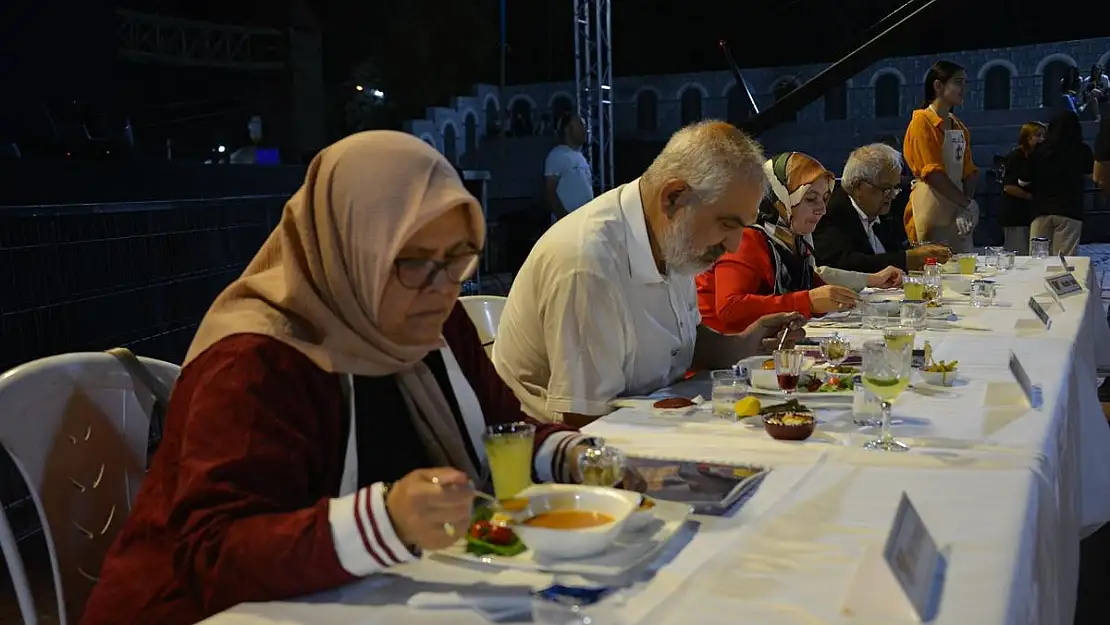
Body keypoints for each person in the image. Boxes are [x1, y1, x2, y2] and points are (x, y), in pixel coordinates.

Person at [81, 132, 602, 625]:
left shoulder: (433, 325)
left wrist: (572, 456)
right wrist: (384, 520)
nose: (444, 287)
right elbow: (213, 554)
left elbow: (502, 428)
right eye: (414, 261)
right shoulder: (256, 360)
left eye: (456, 258)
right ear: (350, 250)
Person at [494, 121, 804, 427]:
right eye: (726, 224)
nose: (734, 246)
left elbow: (687, 345)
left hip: (646, 423)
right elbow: (585, 422)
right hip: (565, 449)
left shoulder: (670, 235)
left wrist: (749, 341)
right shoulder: (588, 264)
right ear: (673, 196)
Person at [697, 152, 902, 335]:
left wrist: (851, 300)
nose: (822, 209)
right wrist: (809, 301)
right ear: (780, 199)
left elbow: (815, 289)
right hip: (723, 360)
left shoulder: (792, 240)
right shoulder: (747, 239)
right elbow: (729, 309)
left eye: (824, 199)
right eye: (810, 199)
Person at [814, 143, 952, 273]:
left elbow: (894, 250)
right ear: (857, 186)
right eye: (886, 189)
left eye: (895, 188)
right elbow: (841, 264)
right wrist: (907, 259)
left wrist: (921, 253)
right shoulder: (830, 211)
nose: (892, 196)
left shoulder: (884, 210)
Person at [903, 60, 980, 252]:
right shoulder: (922, 121)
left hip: (957, 210)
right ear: (938, 85)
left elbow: (969, 171)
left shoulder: (959, 126)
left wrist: (965, 208)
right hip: (931, 207)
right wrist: (966, 202)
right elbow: (932, 172)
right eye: (958, 82)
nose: (964, 88)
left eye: (965, 83)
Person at [1024, 111, 1093, 255]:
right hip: (1070, 210)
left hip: (1041, 210)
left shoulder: (1040, 150)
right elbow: (1093, 174)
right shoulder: (1082, 150)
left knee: (1037, 259)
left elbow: (1024, 180)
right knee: (1064, 260)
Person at [998, 121, 1046, 254]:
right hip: (1015, 215)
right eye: (1038, 135)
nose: (1042, 139)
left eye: (1044, 136)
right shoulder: (1017, 156)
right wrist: (1030, 197)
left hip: (1029, 215)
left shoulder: (1035, 157)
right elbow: (1008, 186)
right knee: (1018, 253)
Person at [544, 113, 594, 221]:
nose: (585, 130)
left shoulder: (581, 157)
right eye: (580, 125)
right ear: (568, 129)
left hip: (584, 222)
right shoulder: (557, 155)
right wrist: (564, 219)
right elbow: (550, 192)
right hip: (568, 227)